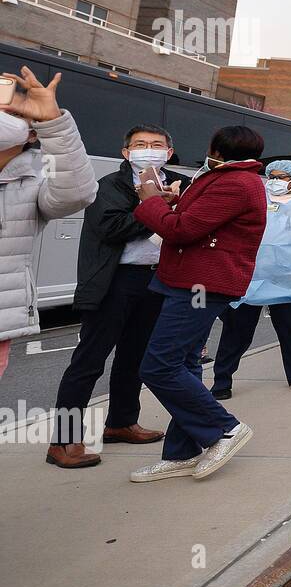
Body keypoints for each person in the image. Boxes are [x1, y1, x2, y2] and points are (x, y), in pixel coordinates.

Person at [127, 125, 267, 483]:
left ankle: (225, 429)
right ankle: (181, 452)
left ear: (216, 149)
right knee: (185, 365)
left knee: (159, 366)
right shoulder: (228, 177)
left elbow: (181, 230)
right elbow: (194, 220)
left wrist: (150, 200)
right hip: (188, 280)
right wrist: (171, 201)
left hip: (199, 284)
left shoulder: (235, 183)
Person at [48, 124, 189, 468]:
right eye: (140, 144)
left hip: (157, 281)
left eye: (157, 144)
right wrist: (156, 209)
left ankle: (122, 422)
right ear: (126, 153)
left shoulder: (183, 185)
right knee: (89, 361)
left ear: (169, 153)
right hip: (115, 281)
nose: (149, 149)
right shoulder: (110, 185)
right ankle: (63, 441)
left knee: (135, 359)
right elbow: (111, 228)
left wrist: (170, 207)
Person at [0, 67, 97, 385]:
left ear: (31, 132)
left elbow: (79, 192)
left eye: (10, 108)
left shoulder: (36, 180)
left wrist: (53, 122)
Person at [211, 160, 291, 398]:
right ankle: (221, 382)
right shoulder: (254, 203)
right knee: (236, 333)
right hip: (250, 279)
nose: (275, 181)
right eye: (272, 176)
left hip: (290, 281)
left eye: (281, 177)